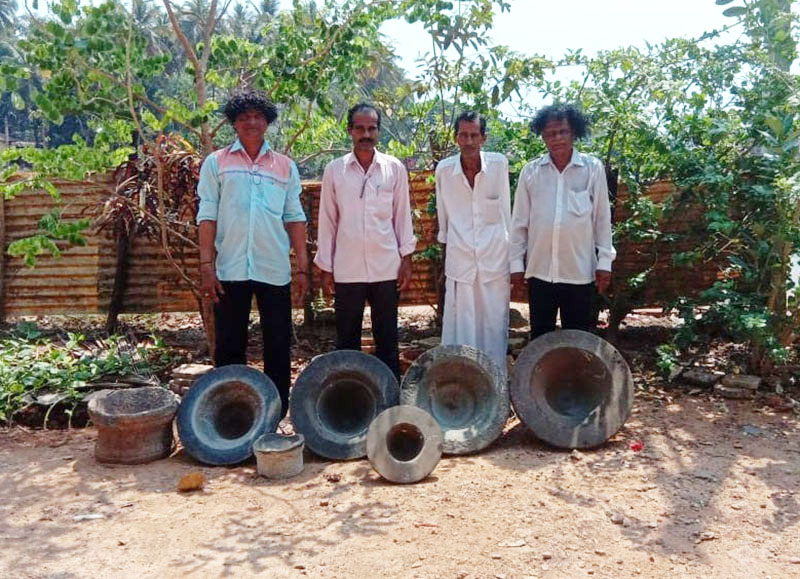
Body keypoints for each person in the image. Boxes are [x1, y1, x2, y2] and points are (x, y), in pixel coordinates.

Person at [196, 89, 309, 418]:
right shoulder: (216, 163)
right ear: (234, 123)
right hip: (230, 268)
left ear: (267, 122)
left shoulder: (285, 167)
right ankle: (231, 415)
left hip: (273, 267)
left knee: (277, 346)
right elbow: (207, 215)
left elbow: (295, 218)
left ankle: (274, 416)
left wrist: (302, 269)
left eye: (258, 116)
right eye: (244, 117)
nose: (251, 122)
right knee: (230, 347)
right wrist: (207, 266)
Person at [314, 103, 417, 378]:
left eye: (371, 128)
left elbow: (402, 216)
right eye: (360, 128)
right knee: (346, 342)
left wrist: (406, 259)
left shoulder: (393, 168)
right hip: (347, 270)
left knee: (387, 340)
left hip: (386, 267)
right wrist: (326, 267)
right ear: (350, 130)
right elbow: (328, 220)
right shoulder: (335, 170)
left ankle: (389, 401)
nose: (366, 134)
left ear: (378, 131)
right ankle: (349, 404)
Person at [509, 103, 615, 339]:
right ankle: (539, 377)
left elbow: (601, 219)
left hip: (579, 272)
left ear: (574, 132)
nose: (557, 138)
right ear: (543, 137)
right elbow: (519, 223)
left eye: (562, 132)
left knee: (577, 339)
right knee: (540, 338)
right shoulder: (531, 172)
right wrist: (516, 265)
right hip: (540, 273)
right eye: (550, 133)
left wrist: (605, 262)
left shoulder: (592, 169)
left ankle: (574, 377)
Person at [435, 111, 511, 370]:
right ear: (456, 138)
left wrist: (513, 260)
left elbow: (507, 214)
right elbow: (443, 220)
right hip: (461, 258)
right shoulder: (444, 171)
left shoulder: (499, 166)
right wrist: (448, 254)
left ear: (483, 138)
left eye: (473, 135)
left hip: (494, 259)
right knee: (461, 326)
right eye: (463, 135)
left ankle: (495, 386)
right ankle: (461, 384)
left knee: (494, 325)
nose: (468, 141)